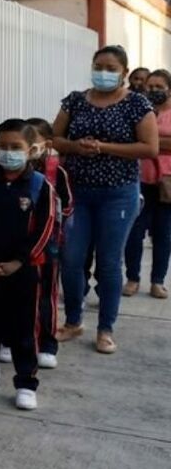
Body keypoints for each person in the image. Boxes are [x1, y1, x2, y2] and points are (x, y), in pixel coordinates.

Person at [53, 45, 157, 354]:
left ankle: (105, 328)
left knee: (110, 262)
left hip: (118, 195)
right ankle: (73, 321)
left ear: (124, 73)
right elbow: (54, 137)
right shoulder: (75, 100)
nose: (104, 72)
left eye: (111, 68)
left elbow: (149, 148)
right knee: (71, 259)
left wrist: (104, 147)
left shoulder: (137, 104)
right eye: (99, 65)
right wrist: (75, 146)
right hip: (78, 193)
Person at [0, 119, 55, 411]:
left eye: (15, 147)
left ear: (31, 150)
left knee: (24, 327)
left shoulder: (40, 187)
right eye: (3, 147)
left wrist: (21, 260)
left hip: (24, 271)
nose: (8, 152)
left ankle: (26, 382)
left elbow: (46, 228)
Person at [26, 117, 74, 368]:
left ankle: (46, 343)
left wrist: (49, 224)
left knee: (46, 294)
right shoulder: (10, 174)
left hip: (48, 246)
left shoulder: (57, 172)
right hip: (18, 247)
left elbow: (67, 206)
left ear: (45, 144)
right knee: (16, 294)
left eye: (32, 141)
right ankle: (12, 338)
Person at [124, 69, 171, 300]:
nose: (152, 91)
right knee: (134, 231)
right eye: (149, 86)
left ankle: (158, 281)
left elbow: (144, 142)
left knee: (164, 233)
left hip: (167, 183)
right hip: (139, 179)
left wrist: (149, 142)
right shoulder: (141, 109)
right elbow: (130, 138)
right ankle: (133, 278)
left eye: (158, 87)